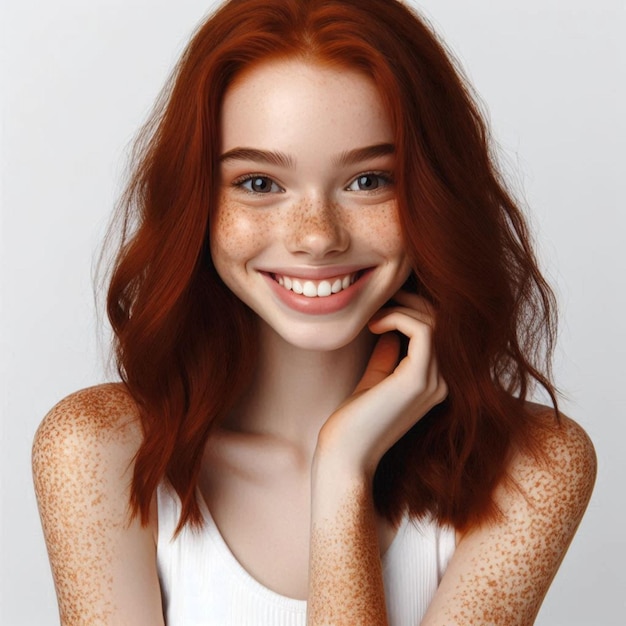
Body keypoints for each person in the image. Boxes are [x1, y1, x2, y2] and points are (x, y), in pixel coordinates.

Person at [32, 0, 597, 624]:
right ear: (196, 199)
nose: (316, 237)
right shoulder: (98, 448)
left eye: (369, 181)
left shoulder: (532, 467)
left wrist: (342, 472)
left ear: (434, 194)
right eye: (259, 183)